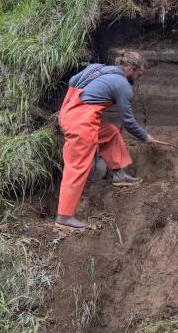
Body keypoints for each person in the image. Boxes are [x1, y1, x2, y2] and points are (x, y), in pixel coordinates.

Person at [55, 52, 155, 230]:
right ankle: (64, 216)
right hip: (81, 122)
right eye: (139, 74)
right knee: (78, 166)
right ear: (130, 69)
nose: (138, 79)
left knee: (110, 133)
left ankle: (119, 174)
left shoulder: (98, 68)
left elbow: (72, 81)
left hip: (70, 111)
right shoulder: (123, 85)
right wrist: (145, 137)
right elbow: (129, 121)